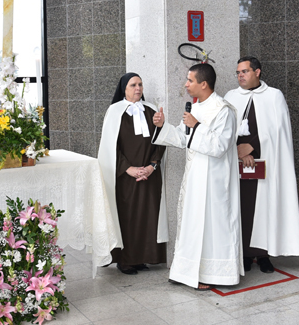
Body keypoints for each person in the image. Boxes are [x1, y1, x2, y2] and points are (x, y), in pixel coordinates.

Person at [152, 64, 243, 290]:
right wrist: (163, 126)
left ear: (203, 84)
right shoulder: (196, 108)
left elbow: (220, 146)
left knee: (213, 228)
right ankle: (188, 272)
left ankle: (216, 275)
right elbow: (184, 139)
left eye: (190, 80)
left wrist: (197, 126)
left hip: (215, 183)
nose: (186, 84)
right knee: (192, 226)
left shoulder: (224, 110)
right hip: (194, 179)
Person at [224, 57, 299, 273]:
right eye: (238, 72)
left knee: (266, 206)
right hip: (237, 164)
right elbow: (224, 128)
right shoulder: (231, 97)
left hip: (267, 164)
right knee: (242, 208)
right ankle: (245, 255)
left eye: (245, 71)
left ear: (257, 72)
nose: (240, 75)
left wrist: (253, 147)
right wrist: (240, 150)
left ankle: (264, 254)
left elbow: (279, 131)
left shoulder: (274, 96)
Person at [98, 73, 168, 275]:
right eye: (133, 85)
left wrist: (152, 165)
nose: (138, 88)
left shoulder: (152, 110)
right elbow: (110, 147)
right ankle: (126, 260)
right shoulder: (115, 112)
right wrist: (128, 169)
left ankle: (144, 257)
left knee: (149, 216)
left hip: (149, 175)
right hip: (125, 177)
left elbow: (161, 140)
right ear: (124, 88)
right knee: (127, 218)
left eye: (140, 84)